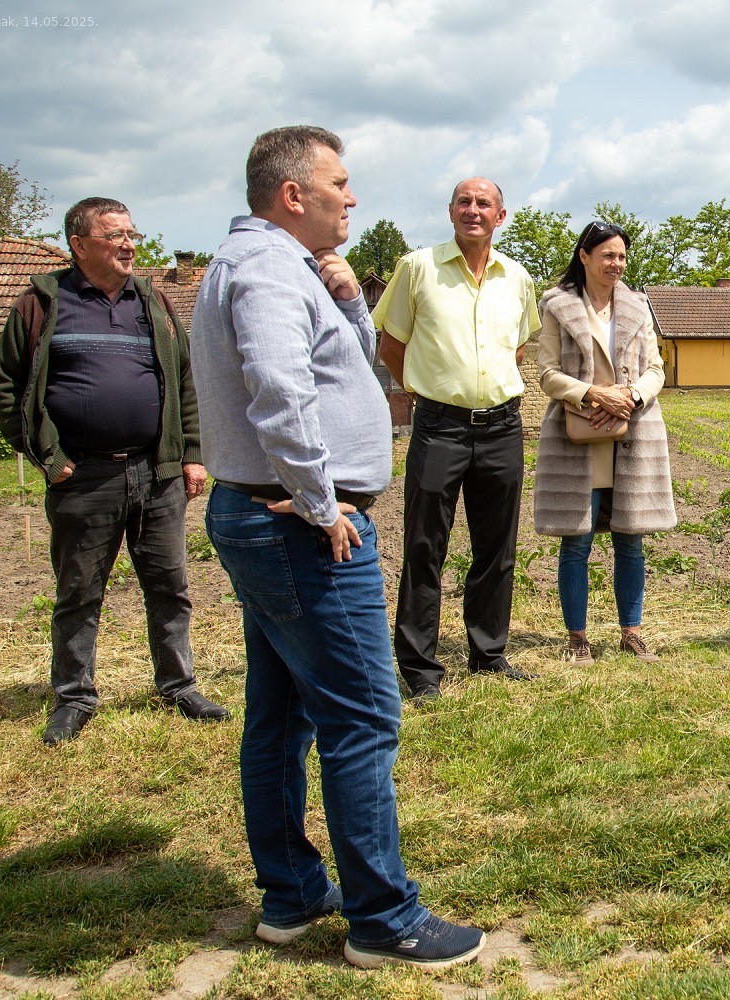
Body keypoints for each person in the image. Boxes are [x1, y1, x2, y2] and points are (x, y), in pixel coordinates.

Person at [192, 125, 483, 969]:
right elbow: (278, 389)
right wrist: (322, 504)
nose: (351, 198)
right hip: (301, 528)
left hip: (273, 518)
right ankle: (384, 920)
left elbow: (345, 370)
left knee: (281, 715)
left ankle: (292, 895)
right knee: (362, 715)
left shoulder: (273, 265)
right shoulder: (266, 269)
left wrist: (351, 301)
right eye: (339, 184)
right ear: (294, 194)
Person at [0, 196, 227, 746]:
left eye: (131, 234)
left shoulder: (153, 301)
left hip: (156, 472)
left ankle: (178, 685)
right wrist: (49, 458)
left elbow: (184, 381)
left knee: (170, 585)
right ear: (78, 244)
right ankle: (74, 697)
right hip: (83, 478)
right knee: (79, 592)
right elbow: (6, 389)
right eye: (115, 235)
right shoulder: (41, 304)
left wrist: (191, 453)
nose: (128, 245)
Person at [373, 177, 541, 696]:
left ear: (500, 215)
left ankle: (488, 655)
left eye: (483, 203)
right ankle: (420, 668)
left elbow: (517, 348)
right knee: (425, 546)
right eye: (464, 202)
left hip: (502, 429)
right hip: (439, 429)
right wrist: (428, 392)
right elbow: (390, 345)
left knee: (497, 547)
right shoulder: (417, 268)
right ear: (450, 212)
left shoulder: (517, 277)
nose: (473, 210)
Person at [532, 222, 677, 665]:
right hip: (578, 433)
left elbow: (656, 368)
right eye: (608, 255)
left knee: (631, 540)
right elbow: (547, 372)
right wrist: (594, 394)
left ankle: (631, 633)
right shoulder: (556, 305)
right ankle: (577, 639)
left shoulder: (638, 306)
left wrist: (630, 398)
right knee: (576, 542)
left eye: (622, 257)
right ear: (585, 256)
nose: (616, 264)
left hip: (631, 431)